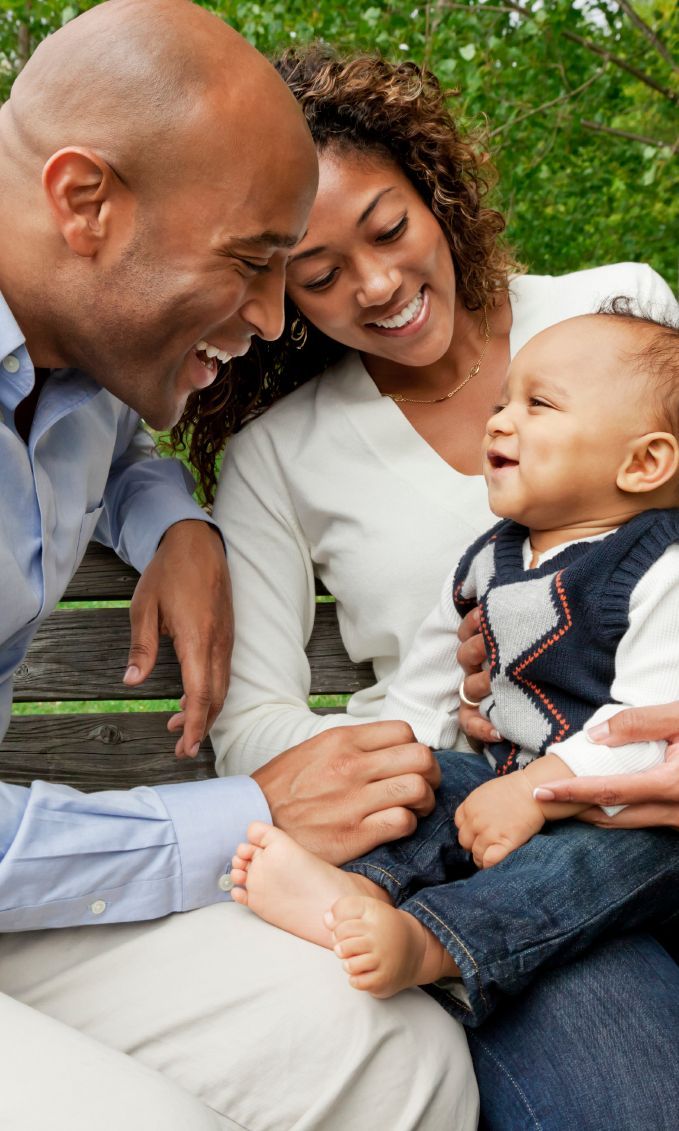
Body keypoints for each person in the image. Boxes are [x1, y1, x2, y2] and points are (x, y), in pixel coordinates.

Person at [175, 46, 679, 1130]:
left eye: (389, 227)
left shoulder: (618, 314)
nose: (376, 285)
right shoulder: (280, 455)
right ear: (273, 291)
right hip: (477, 826)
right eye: (317, 274)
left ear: (431, 189)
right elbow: (251, 725)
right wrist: (426, 732)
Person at [0, 8, 476, 1131]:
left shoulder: (76, 358)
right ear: (85, 201)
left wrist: (176, 521)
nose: (272, 317)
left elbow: (118, 449)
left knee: (394, 1058)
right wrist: (250, 811)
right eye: (255, 262)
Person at [228, 307, 679, 1025]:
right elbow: (431, 672)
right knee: (426, 783)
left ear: (643, 463)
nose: (499, 420)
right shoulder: (494, 555)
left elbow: (647, 733)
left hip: (625, 815)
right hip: (505, 785)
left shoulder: (658, 570)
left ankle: (434, 942)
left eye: (538, 405)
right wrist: (401, 758)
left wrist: (534, 790)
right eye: (502, 402)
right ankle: (362, 889)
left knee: (585, 864)